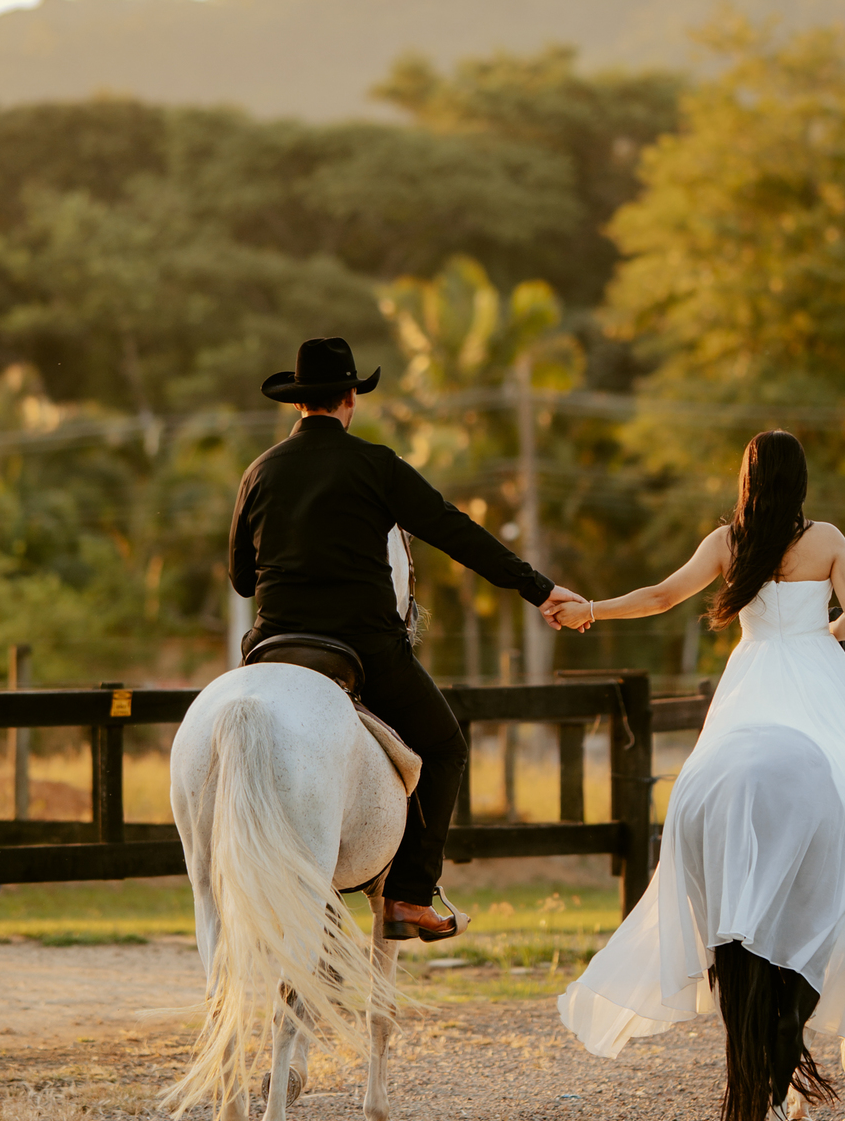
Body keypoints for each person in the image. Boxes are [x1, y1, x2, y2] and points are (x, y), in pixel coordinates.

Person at [554, 429, 845, 1072]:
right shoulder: (828, 540)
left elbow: (659, 597)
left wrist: (590, 609)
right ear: (800, 482)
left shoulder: (727, 544)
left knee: (701, 781)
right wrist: (823, 637)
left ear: (748, 480)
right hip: (819, 670)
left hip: (753, 678)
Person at [229, 336, 585, 941]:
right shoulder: (376, 465)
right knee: (446, 748)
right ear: (350, 399)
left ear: (297, 405)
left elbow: (242, 580)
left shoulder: (259, 470)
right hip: (362, 645)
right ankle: (407, 898)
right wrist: (539, 589)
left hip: (271, 646)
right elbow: (455, 532)